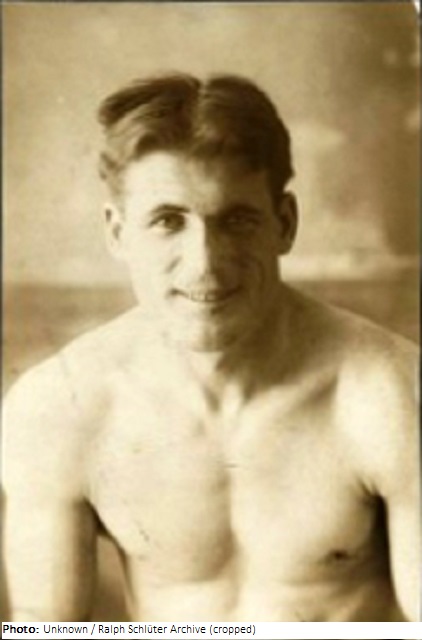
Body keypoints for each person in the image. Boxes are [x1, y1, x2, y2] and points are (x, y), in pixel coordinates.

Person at [3, 73, 419, 622]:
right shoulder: (57, 407)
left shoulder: (393, 394)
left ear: (285, 224)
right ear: (117, 232)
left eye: (237, 221)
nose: (205, 264)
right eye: (167, 221)